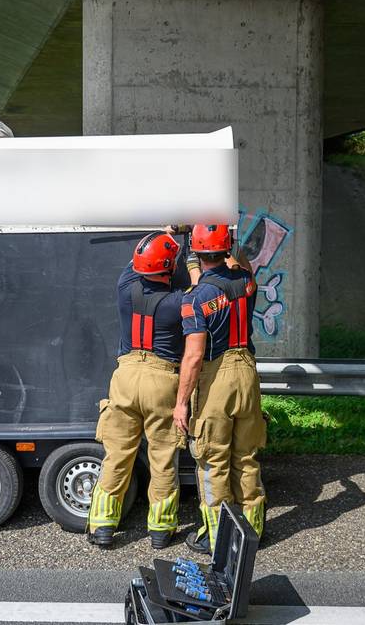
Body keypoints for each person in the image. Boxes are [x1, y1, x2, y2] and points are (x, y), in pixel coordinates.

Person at [87, 230, 188, 549]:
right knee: (162, 458)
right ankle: (160, 530)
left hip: (126, 377)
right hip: (162, 381)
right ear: (168, 268)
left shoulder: (124, 289)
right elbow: (199, 290)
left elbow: (139, 261)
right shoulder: (177, 302)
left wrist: (169, 232)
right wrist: (187, 247)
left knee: (117, 456)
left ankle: (103, 526)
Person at [173, 224, 266, 553]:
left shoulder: (196, 299)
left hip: (217, 376)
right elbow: (243, 267)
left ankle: (218, 537)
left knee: (213, 461)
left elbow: (195, 356)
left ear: (197, 253)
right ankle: (252, 533)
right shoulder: (246, 282)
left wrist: (182, 403)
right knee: (247, 457)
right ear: (226, 250)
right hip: (248, 373)